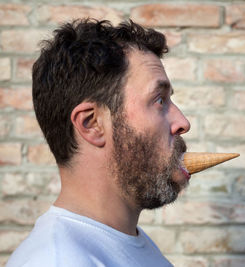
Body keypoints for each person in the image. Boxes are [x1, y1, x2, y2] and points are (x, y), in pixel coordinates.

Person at [6, 18, 191, 267]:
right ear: (92, 124)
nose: (182, 122)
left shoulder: (129, 243)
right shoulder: (58, 261)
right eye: (159, 100)